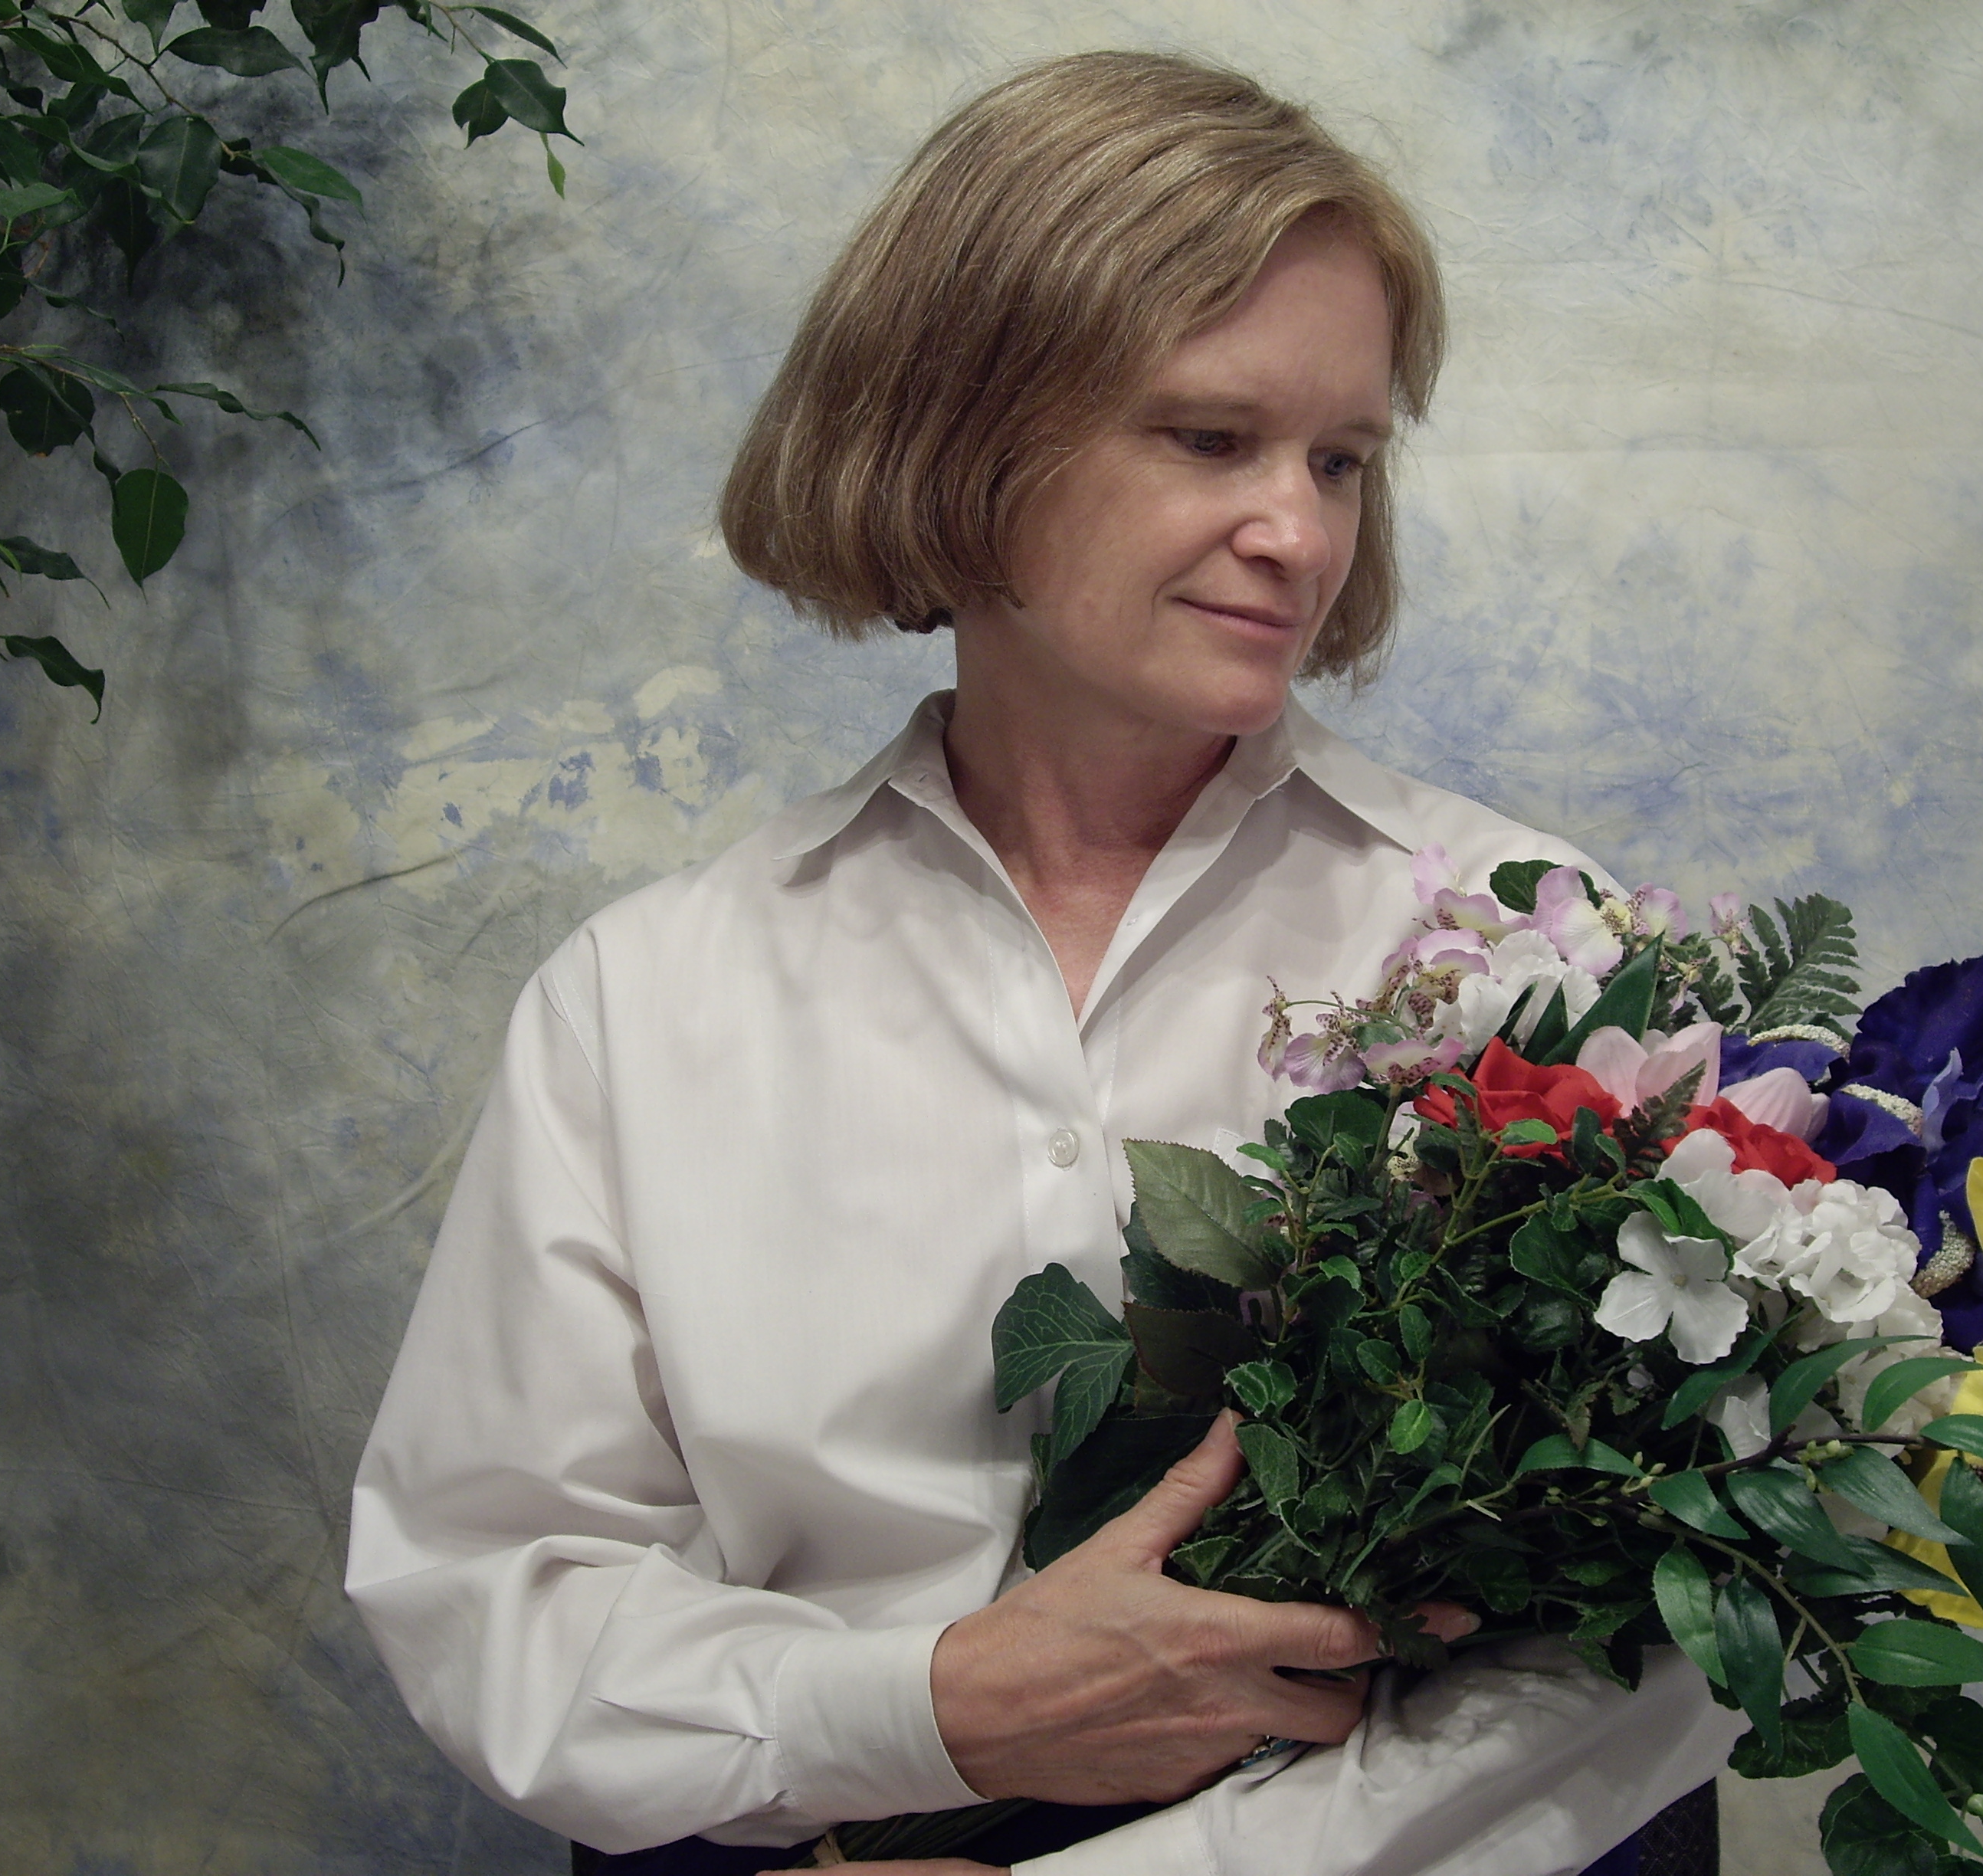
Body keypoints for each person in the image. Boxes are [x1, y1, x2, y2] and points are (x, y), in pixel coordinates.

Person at [346, 51, 1739, 1876]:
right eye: (1210, 439)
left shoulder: (1528, 948)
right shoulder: (646, 999)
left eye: (1340, 459)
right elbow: (494, 1592)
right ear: (962, 433)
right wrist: (924, 1711)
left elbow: (1668, 1621)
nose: (1300, 534)